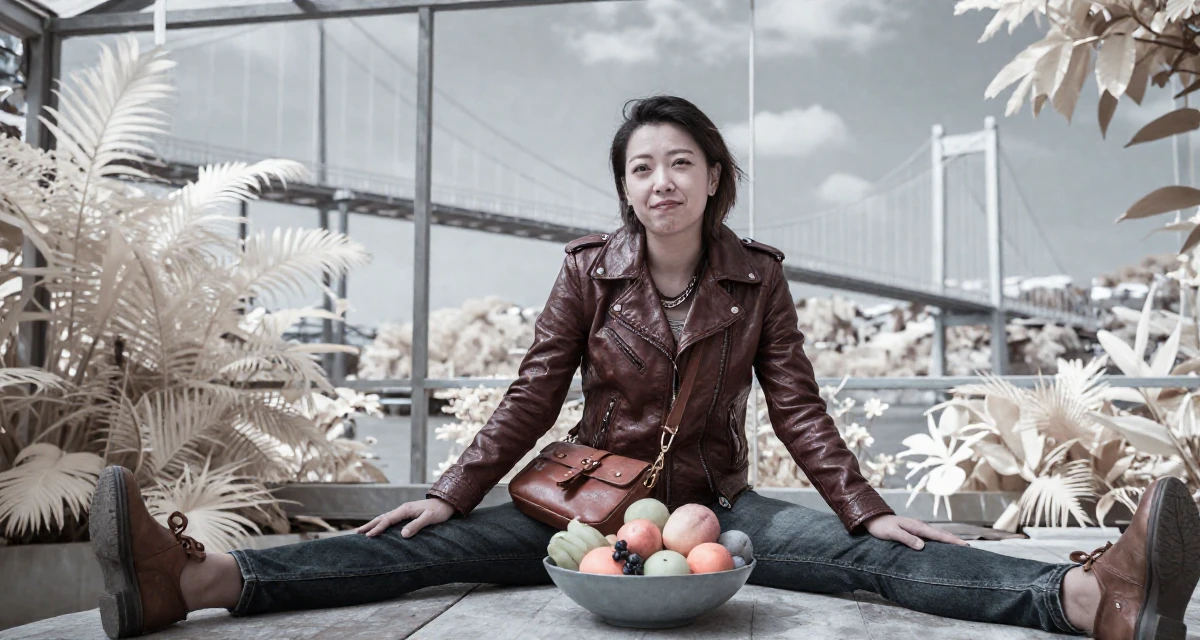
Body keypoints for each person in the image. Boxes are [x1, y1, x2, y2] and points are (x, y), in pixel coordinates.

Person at [88, 95, 1199, 640]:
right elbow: (530, 391)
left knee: (878, 558)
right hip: (583, 505)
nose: (659, 181)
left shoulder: (757, 277)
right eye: (640, 167)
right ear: (624, 189)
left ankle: (1092, 596)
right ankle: (190, 582)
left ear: (715, 176)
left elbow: (796, 402)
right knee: (413, 549)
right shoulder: (586, 271)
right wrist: (446, 489)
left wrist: (863, 506)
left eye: (680, 163)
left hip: (718, 504)